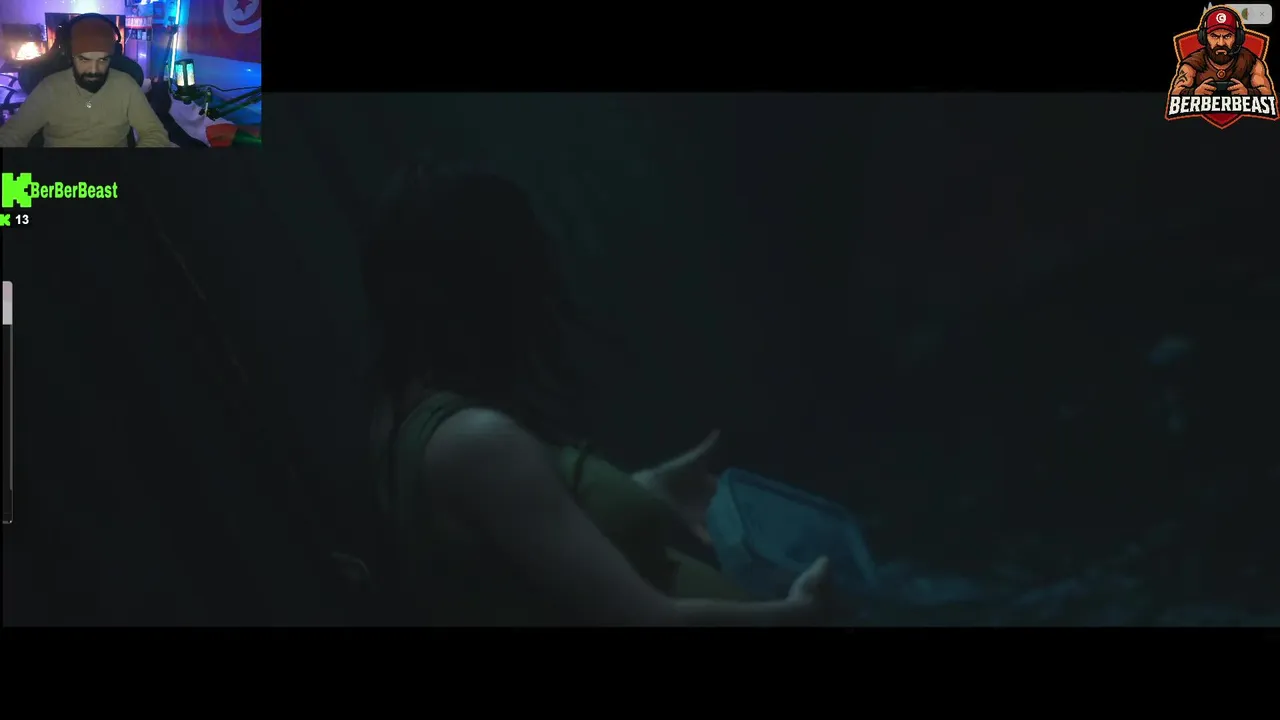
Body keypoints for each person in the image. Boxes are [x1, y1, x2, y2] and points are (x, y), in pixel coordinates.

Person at [360, 167, 832, 625]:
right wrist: (792, 616)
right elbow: (642, 619)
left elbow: (528, 532)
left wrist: (648, 488)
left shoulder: (402, 418)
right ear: (492, 285)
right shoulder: (477, 443)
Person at [0, 15, 171, 148]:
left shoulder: (126, 85)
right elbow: (12, 135)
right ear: (71, 57)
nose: (94, 70)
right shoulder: (49, 88)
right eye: (84, 60)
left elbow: (155, 132)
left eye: (102, 60)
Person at [1170, 7, 1274, 98]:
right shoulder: (1193, 63)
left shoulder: (1251, 62)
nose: (1221, 43)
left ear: (1238, 37)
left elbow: (1267, 92)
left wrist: (1248, 93)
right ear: (1204, 37)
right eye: (1214, 36)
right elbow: (1175, 92)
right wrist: (1194, 93)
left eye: (1227, 36)